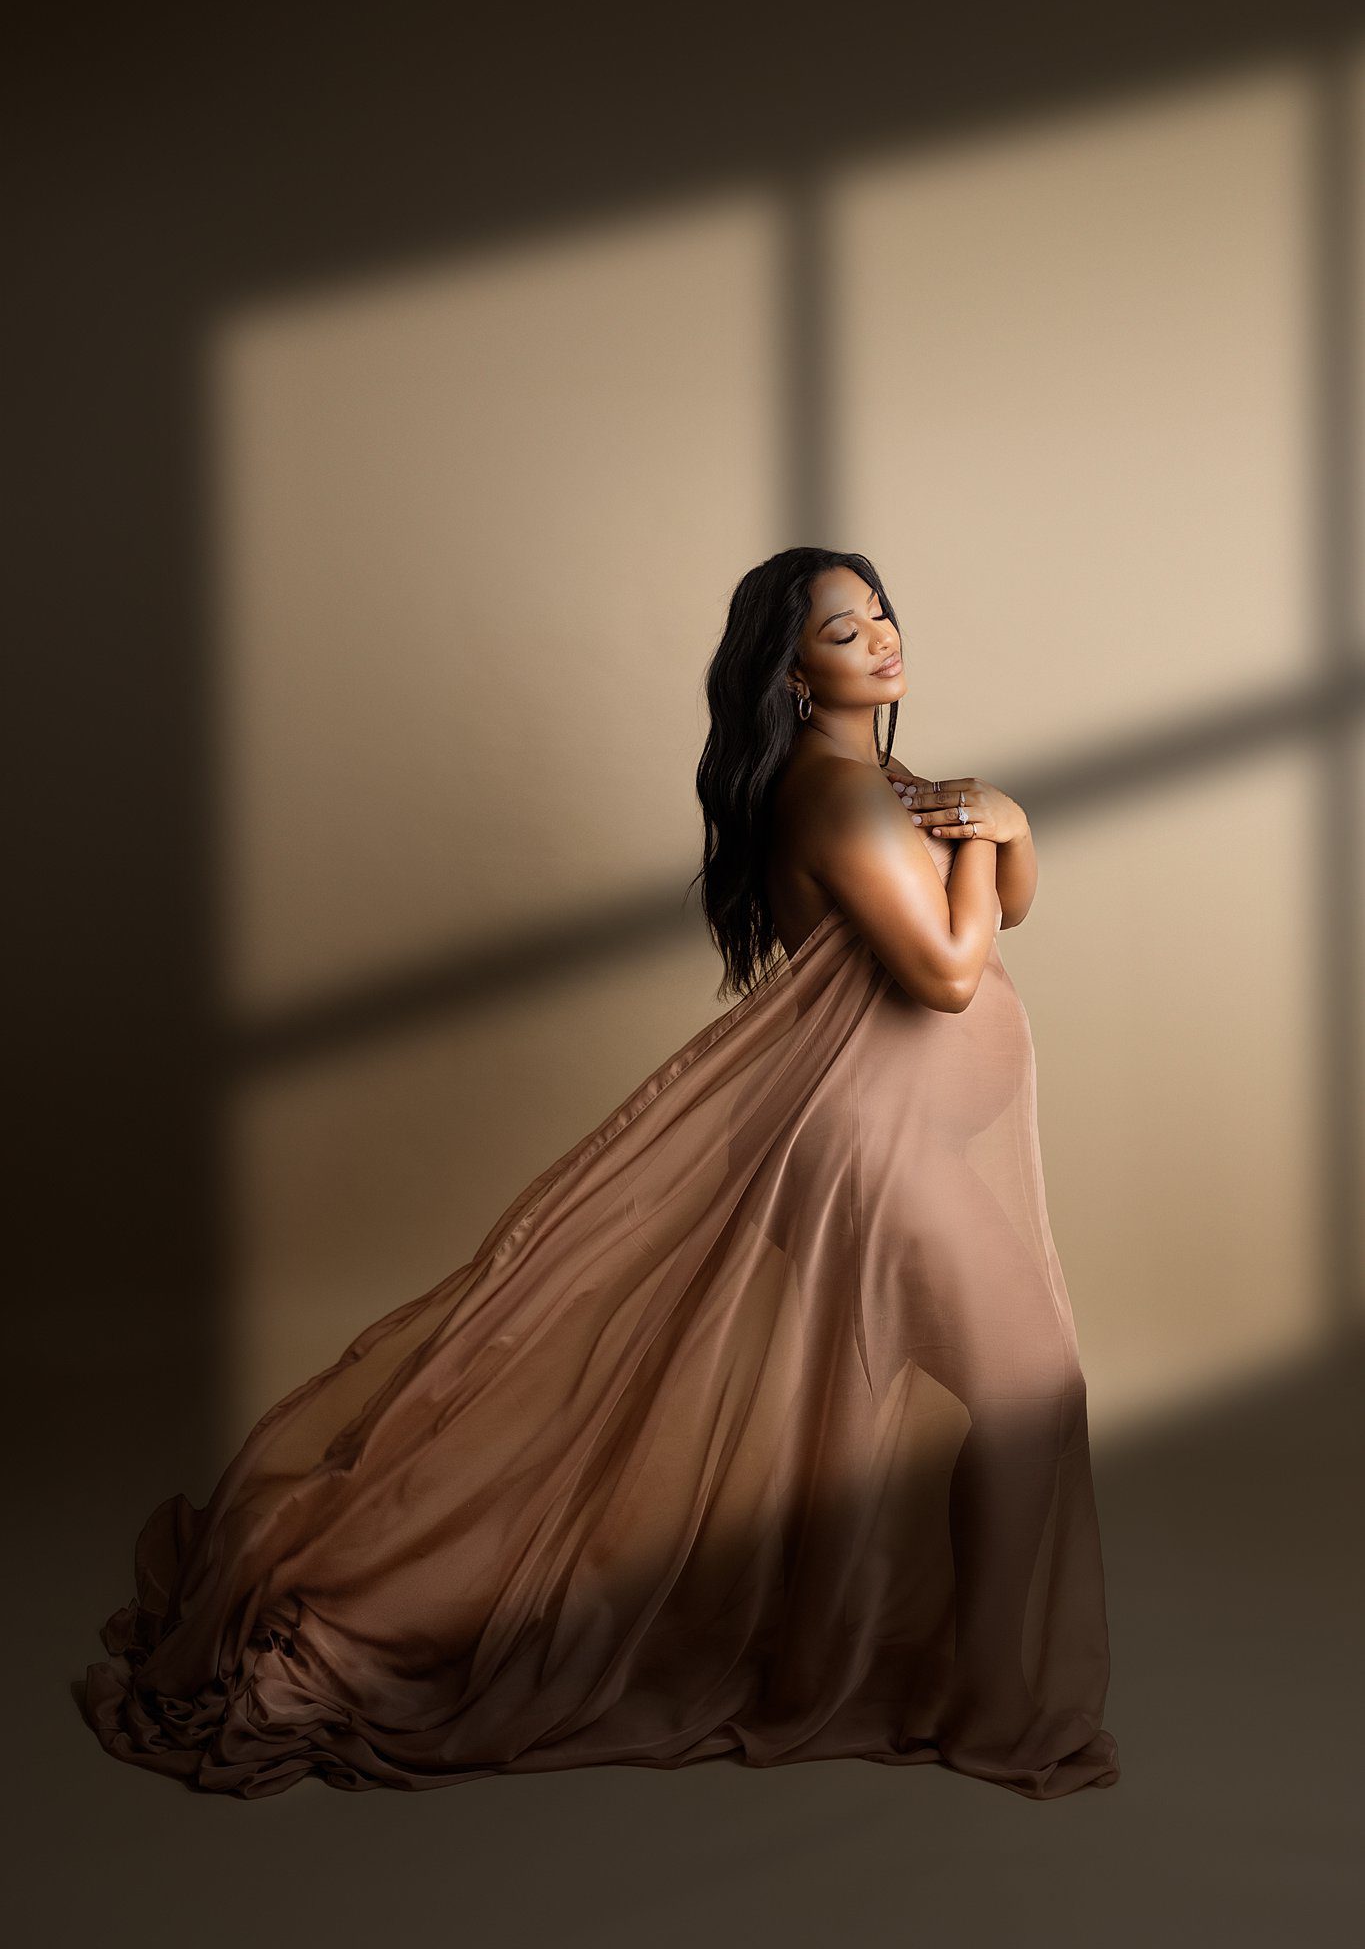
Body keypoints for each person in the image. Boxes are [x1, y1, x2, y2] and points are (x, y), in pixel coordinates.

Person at [82, 547, 1120, 1801]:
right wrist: (993, 818)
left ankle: (852, 1664)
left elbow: (1004, 905)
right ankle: (990, 1708)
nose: (883, 636)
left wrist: (1003, 830)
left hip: (885, 1144)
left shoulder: (884, 778)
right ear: (793, 671)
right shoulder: (839, 795)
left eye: (882, 610)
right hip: (867, 1154)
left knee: (869, 1429)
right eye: (845, 632)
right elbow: (948, 971)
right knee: (1029, 1393)